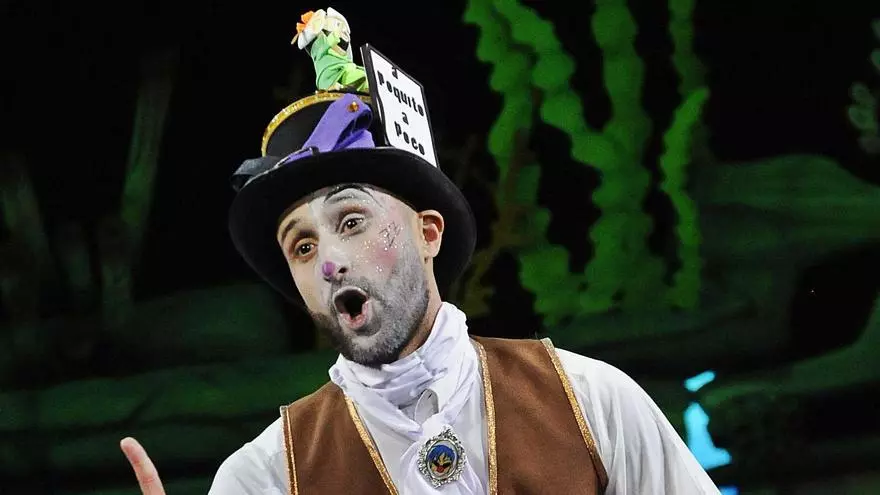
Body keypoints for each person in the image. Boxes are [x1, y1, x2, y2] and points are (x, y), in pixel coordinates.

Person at [120, 10, 722, 495]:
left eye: (350, 220)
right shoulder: (266, 478)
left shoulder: (592, 401)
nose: (329, 262)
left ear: (428, 233)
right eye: (301, 246)